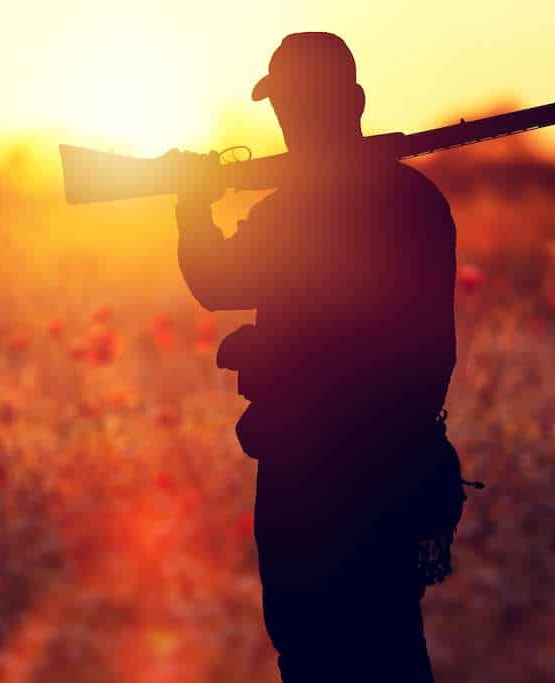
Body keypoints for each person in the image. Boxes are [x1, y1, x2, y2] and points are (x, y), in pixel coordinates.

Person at [170, 32, 478, 682]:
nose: (288, 121)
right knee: (388, 643)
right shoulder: (418, 202)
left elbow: (217, 279)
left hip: (310, 480)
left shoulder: (293, 213)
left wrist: (193, 205)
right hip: (394, 471)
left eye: (293, 106)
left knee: (315, 651)